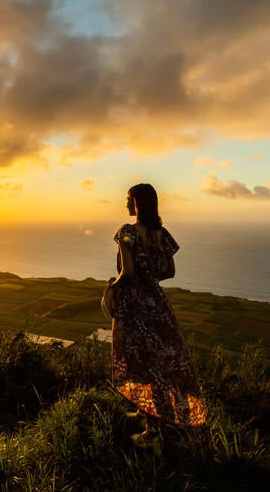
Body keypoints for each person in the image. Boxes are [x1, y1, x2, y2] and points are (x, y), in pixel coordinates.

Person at [103, 183, 207, 446]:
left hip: (133, 304)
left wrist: (110, 288)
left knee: (141, 361)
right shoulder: (162, 233)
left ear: (137, 203)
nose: (126, 204)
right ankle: (144, 409)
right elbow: (169, 272)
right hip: (157, 304)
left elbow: (127, 272)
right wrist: (151, 276)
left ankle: (153, 429)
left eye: (129, 200)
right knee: (160, 360)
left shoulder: (126, 232)